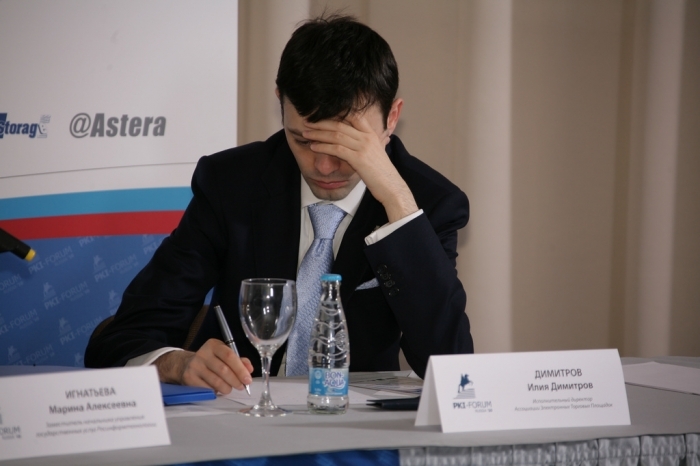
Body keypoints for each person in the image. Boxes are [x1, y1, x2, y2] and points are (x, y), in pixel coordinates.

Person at [85, 15, 473, 394]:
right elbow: (122, 336)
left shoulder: (430, 204)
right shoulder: (230, 184)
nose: (324, 166)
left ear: (392, 118)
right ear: (281, 106)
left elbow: (451, 363)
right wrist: (177, 363)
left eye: (348, 145)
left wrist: (398, 206)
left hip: (353, 425)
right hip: (238, 416)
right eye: (304, 141)